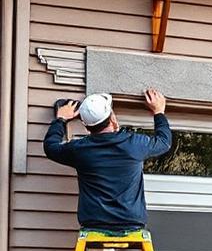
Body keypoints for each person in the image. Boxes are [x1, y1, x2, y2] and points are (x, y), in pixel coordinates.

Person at [43, 89, 171, 231]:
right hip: (130, 222)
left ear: (86, 127)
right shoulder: (134, 144)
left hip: (94, 223)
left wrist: (60, 120)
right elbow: (164, 142)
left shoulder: (80, 150)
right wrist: (158, 112)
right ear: (111, 118)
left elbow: (51, 148)